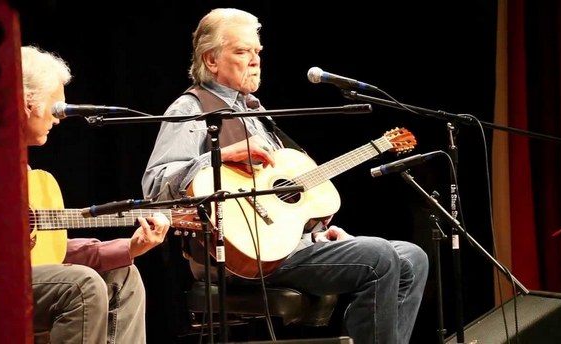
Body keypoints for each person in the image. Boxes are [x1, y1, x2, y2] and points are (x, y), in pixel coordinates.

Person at [141, 8, 428, 344]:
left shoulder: (257, 113)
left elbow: (283, 197)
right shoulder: (191, 109)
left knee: (412, 257)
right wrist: (216, 158)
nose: (254, 60)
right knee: (379, 255)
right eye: (241, 51)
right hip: (234, 256)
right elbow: (156, 186)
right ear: (211, 59)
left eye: (257, 51)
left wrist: (319, 228)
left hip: (289, 245)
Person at [22, 45, 170, 343]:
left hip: (26, 279)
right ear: (26, 103)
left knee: (124, 277)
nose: (59, 119)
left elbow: (51, 252)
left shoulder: (30, 176)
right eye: (56, 109)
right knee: (81, 284)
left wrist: (129, 248)